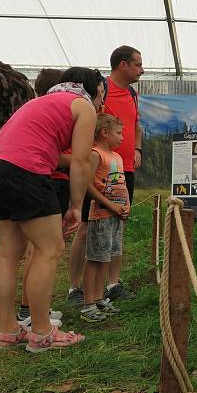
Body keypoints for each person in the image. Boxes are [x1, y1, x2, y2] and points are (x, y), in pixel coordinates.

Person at [0, 67, 102, 352]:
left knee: (8, 255)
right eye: (101, 93)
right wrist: (75, 206)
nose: (101, 100)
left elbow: (51, 151)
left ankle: (8, 331)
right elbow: (81, 161)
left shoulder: (40, 103)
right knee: (49, 250)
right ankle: (43, 332)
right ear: (92, 89)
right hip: (25, 171)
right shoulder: (83, 106)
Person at [67, 46, 143, 305]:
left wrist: (136, 148)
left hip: (124, 169)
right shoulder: (101, 89)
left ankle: (112, 284)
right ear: (123, 65)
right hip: (98, 168)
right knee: (87, 227)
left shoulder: (133, 94)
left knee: (117, 226)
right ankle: (75, 287)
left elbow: (136, 125)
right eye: (137, 65)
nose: (141, 70)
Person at [17, 68, 67, 330]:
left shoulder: (30, 110)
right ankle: (33, 314)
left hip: (29, 178)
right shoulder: (54, 112)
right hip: (47, 180)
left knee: (34, 249)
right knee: (42, 249)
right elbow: (52, 153)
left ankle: (33, 310)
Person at [80, 114, 131, 322]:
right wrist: (109, 205)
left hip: (116, 217)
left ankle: (100, 298)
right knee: (95, 259)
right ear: (104, 132)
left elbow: (122, 186)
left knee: (106, 258)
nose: (122, 137)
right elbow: (86, 183)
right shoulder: (95, 155)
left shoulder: (117, 157)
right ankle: (88, 303)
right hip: (101, 215)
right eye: (118, 133)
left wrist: (125, 205)